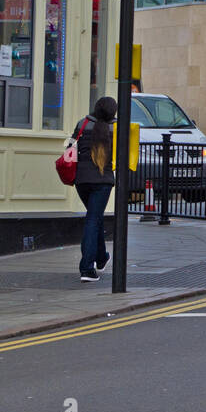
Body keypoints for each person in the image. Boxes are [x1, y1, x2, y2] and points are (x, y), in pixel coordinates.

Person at [74, 97, 117, 282]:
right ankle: (87, 269)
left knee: (94, 217)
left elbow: (71, 146)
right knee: (93, 219)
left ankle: (101, 258)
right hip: (102, 180)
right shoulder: (116, 129)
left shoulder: (82, 124)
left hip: (81, 180)